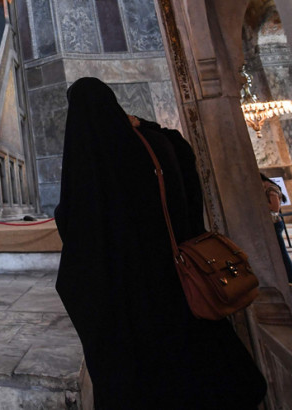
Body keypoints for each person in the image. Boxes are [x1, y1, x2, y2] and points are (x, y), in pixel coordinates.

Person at [55, 77, 266, 409]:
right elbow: (182, 147)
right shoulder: (159, 143)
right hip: (184, 282)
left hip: (137, 300)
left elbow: (76, 228)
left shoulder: (95, 160)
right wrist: (144, 123)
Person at [263, 173, 292, 284]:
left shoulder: (271, 189)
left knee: (282, 253)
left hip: (274, 223)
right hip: (269, 224)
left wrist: (259, 200)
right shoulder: (268, 189)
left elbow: (275, 208)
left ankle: (291, 281)